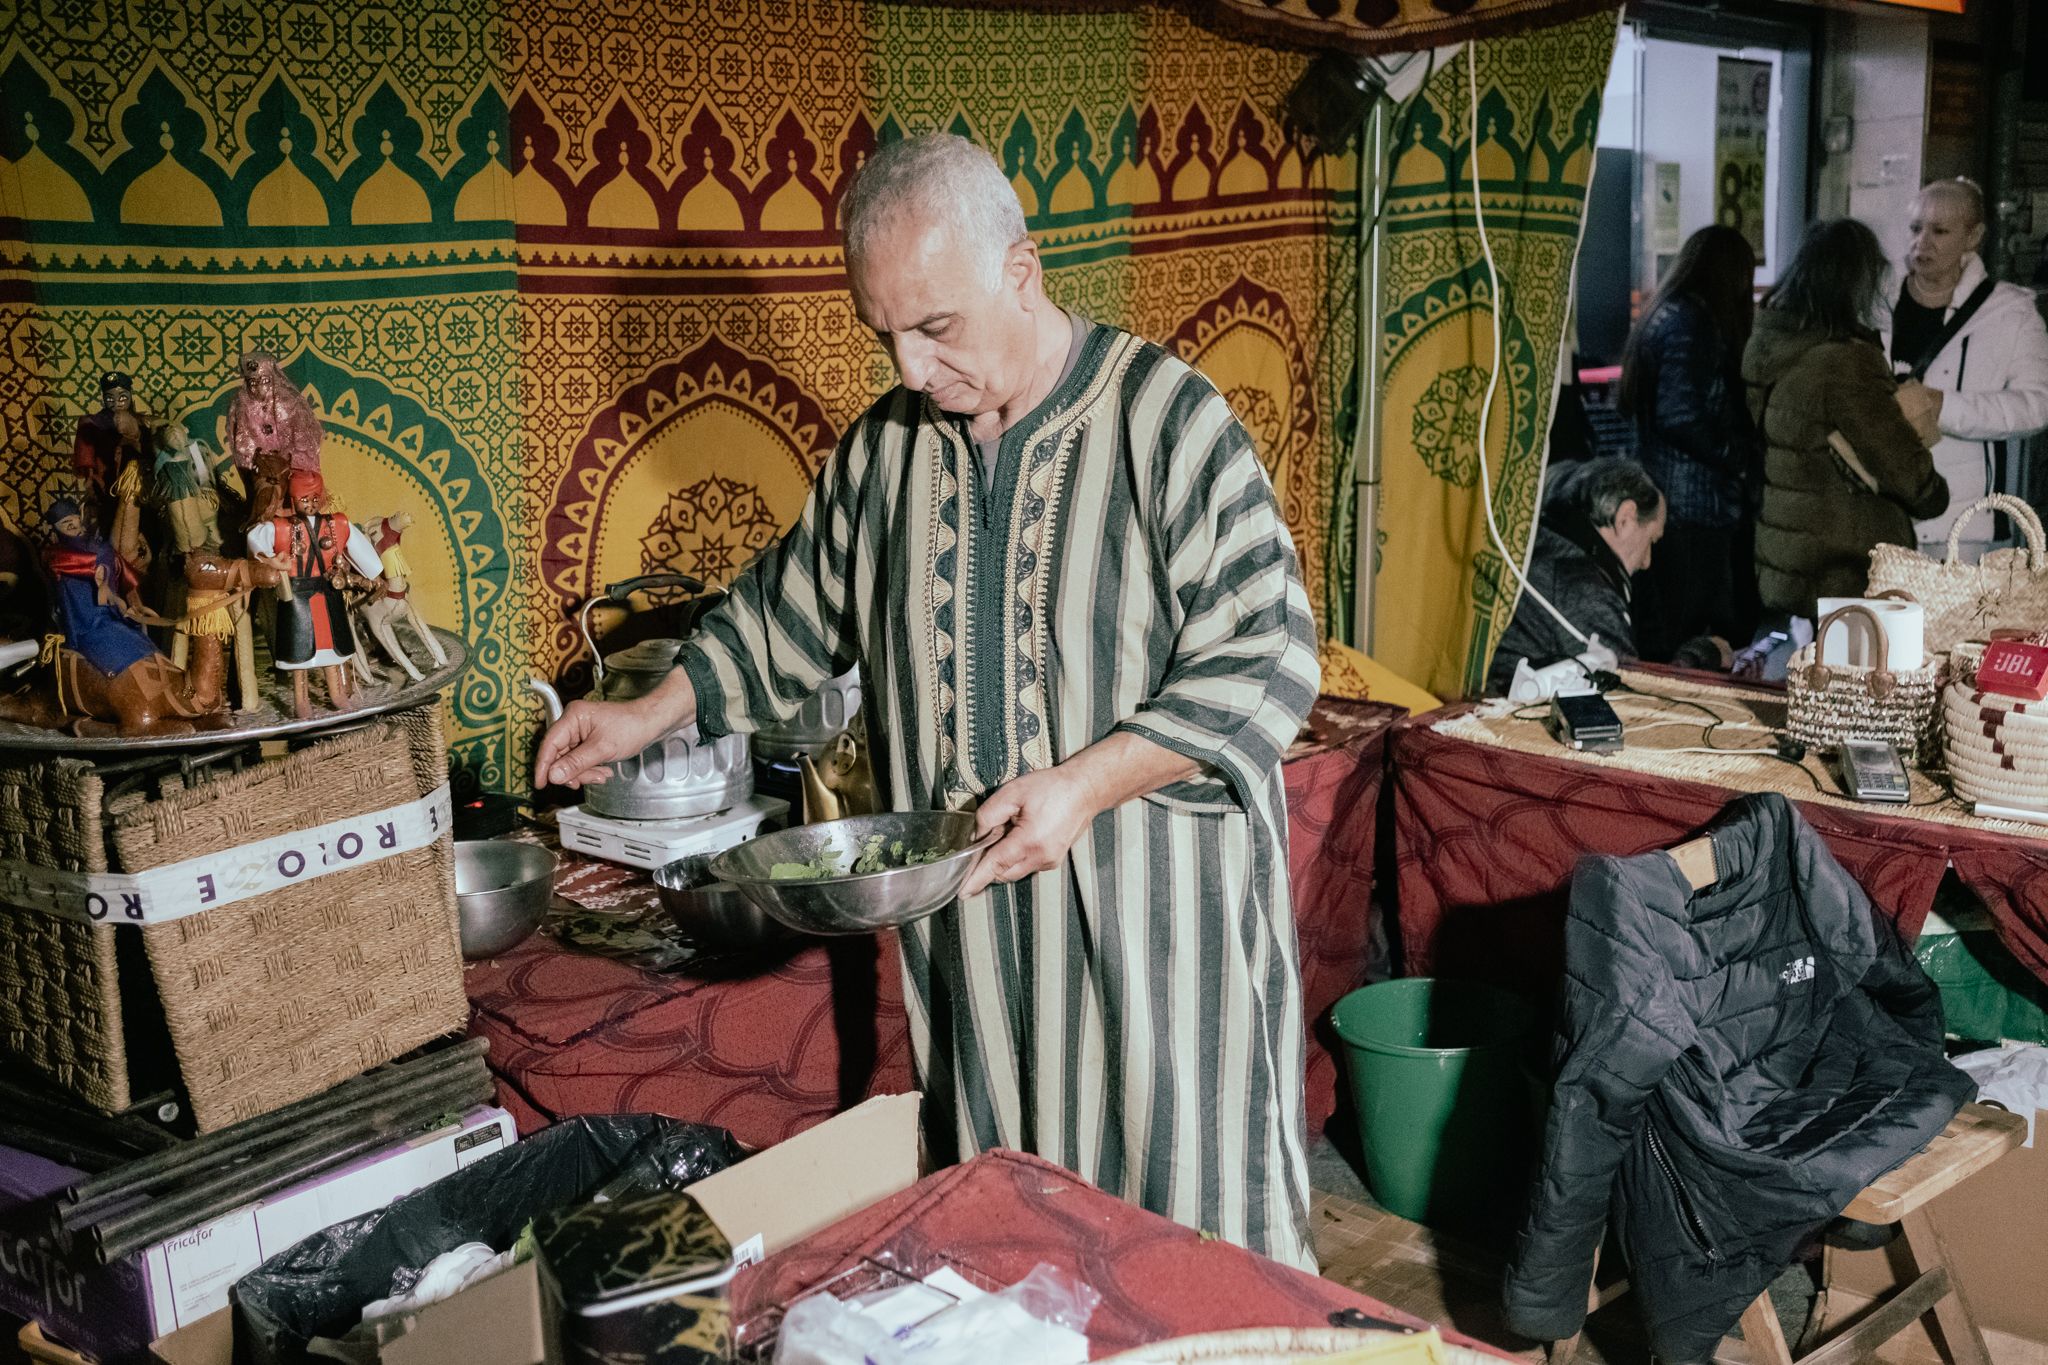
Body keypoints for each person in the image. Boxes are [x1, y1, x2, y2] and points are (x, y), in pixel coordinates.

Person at [535, 132, 1321, 1270]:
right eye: (884, 334)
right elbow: (784, 612)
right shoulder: (885, 455)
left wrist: (1084, 784)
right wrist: (647, 712)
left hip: (1158, 937)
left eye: (935, 328)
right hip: (985, 959)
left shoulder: (1168, 425)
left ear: (1021, 272)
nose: (907, 368)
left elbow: (1265, 655)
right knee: (1024, 1254)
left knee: (1194, 1256)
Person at [1743, 219, 1948, 620]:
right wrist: (1932, 492)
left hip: (1791, 552)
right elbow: (1898, 462)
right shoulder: (1844, 361)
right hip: (1845, 565)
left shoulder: (1772, 341)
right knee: (1856, 679)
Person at [1617, 225, 1761, 660]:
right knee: (1688, 633)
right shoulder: (1692, 321)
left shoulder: (1664, 312)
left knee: (1666, 627)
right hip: (1693, 504)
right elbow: (1682, 415)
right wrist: (1740, 455)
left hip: (1667, 495)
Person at [1884, 178, 2048, 558]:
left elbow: (2037, 404)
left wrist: (1943, 406)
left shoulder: (2011, 312)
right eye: (1915, 228)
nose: (1922, 242)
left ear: (1973, 237)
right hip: (1880, 515)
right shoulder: (1880, 300)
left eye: (1940, 230)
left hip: (1964, 528)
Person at [1485, 458, 1723, 695]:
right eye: (1651, 540)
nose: (1646, 562)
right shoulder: (1581, 587)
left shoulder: (1537, 548)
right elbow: (1627, 699)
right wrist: (1701, 655)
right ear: (1625, 518)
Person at [246, 469, 385, 718]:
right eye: (303, 499)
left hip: (329, 593)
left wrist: (374, 574)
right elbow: (255, 541)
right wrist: (273, 561)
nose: (309, 504)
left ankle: (338, 694)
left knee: (333, 650)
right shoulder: (280, 527)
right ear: (293, 500)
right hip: (298, 597)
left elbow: (360, 548)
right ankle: (301, 701)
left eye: (314, 499)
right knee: (300, 654)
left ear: (321, 498)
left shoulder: (338, 524)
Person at [41, 496, 158, 679]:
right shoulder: (54, 554)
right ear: (55, 529)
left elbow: (120, 572)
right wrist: (102, 559)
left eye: (74, 520)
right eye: (65, 523)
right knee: (117, 645)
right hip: (84, 622)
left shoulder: (98, 546)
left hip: (109, 616)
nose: (72, 525)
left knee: (140, 640)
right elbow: (78, 563)